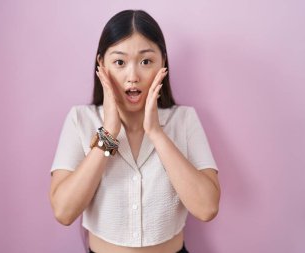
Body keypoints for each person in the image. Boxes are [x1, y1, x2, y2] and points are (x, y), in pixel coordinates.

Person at [49, 9, 220, 253]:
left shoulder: (184, 120)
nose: (133, 76)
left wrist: (157, 134)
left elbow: (207, 208)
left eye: (146, 61)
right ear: (101, 65)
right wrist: (108, 132)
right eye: (119, 62)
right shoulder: (80, 119)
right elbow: (64, 212)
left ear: (163, 63)